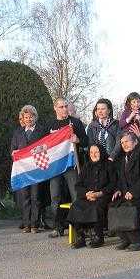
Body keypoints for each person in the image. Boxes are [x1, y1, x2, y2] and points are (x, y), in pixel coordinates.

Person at [47, 97, 89, 238]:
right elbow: (44, 144)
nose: (64, 109)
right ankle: (58, 227)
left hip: (71, 165)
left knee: (75, 195)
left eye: (66, 106)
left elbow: (86, 141)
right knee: (55, 197)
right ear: (55, 108)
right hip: (55, 167)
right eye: (61, 107)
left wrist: (78, 140)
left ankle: (79, 227)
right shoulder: (50, 124)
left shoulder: (75, 122)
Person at [67, 144, 117, 248]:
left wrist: (99, 193)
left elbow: (113, 183)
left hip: (103, 195)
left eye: (96, 152)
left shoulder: (109, 165)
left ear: (101, 152)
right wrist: (86, 193)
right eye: (91, 152)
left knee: (96, 207)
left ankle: (99, 237)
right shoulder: (87, 166)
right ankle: (81, 237)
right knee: (75, 206)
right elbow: (78, 185)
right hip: (87, 196)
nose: (93, 155)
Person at [11, 105, 46, 233]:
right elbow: (13, 149)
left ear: (35, 117)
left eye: (31, 117)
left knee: (35, 197)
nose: (28, 119)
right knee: (25, 197)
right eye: (26, 117)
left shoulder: (41, 131)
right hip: (23, 170)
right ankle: (26, 224)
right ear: (23, 118)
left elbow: (46, 146)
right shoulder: (18, 132)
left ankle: (35, 224)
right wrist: (14, 153)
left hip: (36, 169)